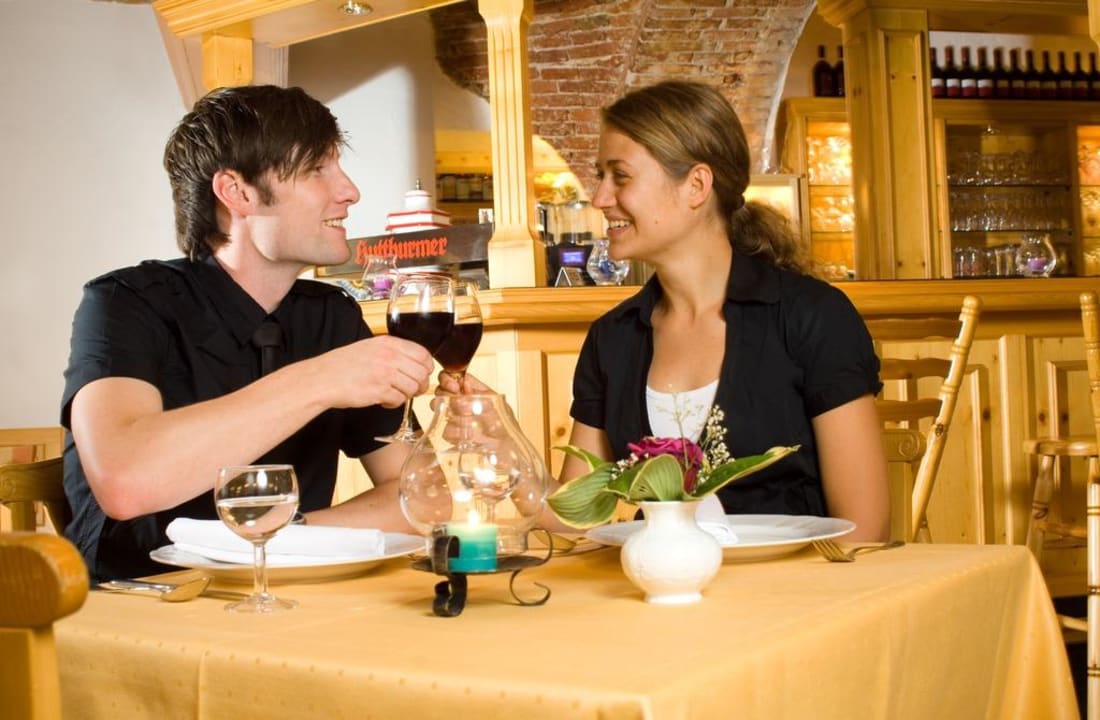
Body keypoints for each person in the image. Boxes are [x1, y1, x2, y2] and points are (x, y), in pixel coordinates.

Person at [442, 80, 890, 540]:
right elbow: (578, 520)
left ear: (696, 185)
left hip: (797, 599)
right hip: (659, 594)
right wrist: (508, 445)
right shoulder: (614, 337)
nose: (599, 198)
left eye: (620, 176)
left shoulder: (811, 317)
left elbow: (864, 530)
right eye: (601, 176)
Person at [61, 85, 435, 581]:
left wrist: (277, 538)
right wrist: (320, 381)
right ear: (236, 193)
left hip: (283, 600)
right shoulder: (125, 302)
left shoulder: (330, 316)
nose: (349, 191)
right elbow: (126, 481)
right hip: (136, 607)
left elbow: (426, 497)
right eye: (317, 170)